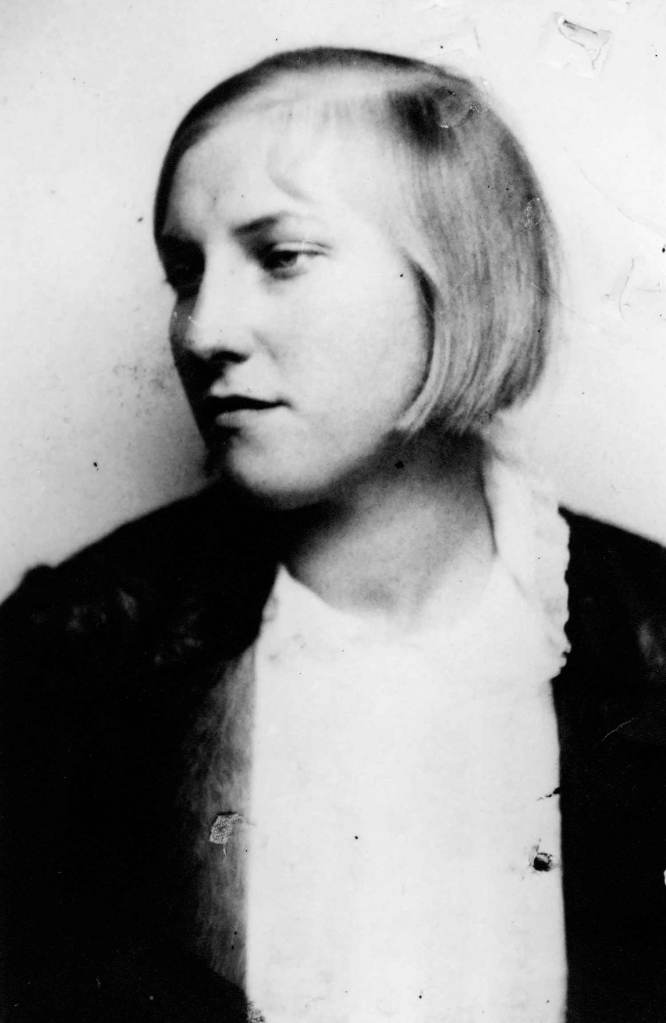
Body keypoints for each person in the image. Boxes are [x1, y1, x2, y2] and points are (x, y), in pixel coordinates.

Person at [2, 45, 666, 1023]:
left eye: (281, 257)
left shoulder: (647, 637)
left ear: (464, 278)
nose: (203, 331)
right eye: (185, 272)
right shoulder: (74, 653)